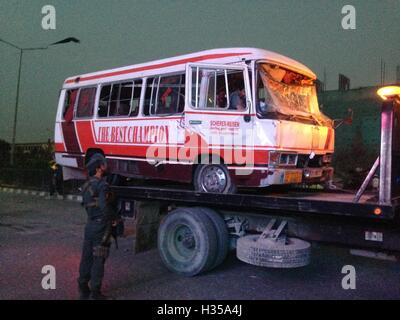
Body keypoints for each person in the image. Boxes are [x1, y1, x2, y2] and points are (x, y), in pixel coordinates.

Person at [77, 154, 119, 300]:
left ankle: (83, 287)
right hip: (101, 227)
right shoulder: (102, 185)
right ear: (98, 168)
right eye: (103, 164)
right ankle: (95, 292)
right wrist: (114, 218)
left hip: (89, 225)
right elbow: (103, 205)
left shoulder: (86, 186)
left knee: (86, 256)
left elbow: (87, 205)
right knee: (98, 259)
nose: (105, 167)